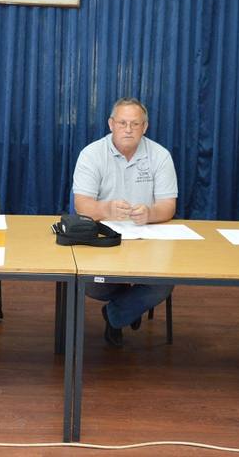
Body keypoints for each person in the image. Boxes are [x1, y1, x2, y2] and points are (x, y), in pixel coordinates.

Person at [72, 98, 178, 347]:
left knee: (163, 285)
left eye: (135, 124)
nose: (128, 129)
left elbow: (168, 206)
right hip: (104, 240)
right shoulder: (91, 154)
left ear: (145, 127)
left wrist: (150, 213)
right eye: (122, 123)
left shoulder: (160, 155)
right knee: (93, 285)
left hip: (147, 241)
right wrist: (106, 208)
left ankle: (115, 315)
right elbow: (81, 205)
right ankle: (130, 306)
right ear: (111, 124)